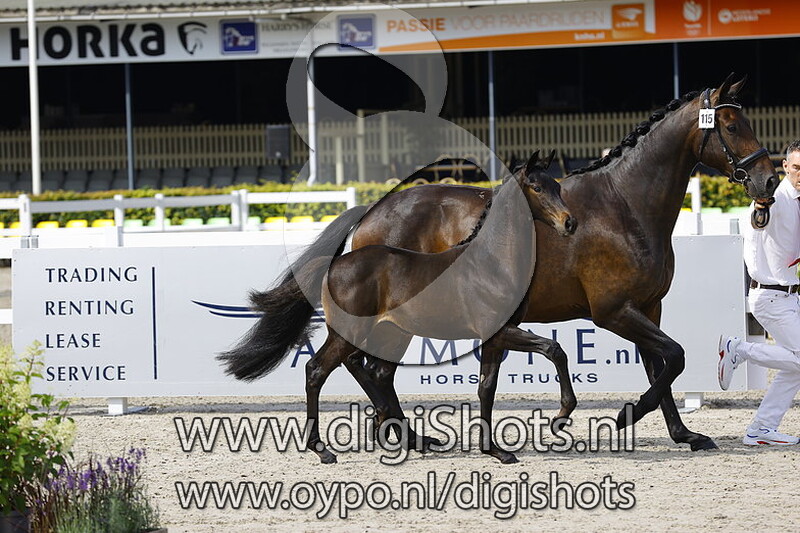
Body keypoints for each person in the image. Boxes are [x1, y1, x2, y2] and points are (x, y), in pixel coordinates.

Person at [718, 139, 800, 446]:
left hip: (789, 296)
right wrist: (761, 206)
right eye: (796, 168)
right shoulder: (775, 197)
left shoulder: (797, 200)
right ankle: (739, 350)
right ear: (785, 167)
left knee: (795, 367)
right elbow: (758, 219)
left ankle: (761, 430)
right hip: (770, 297)